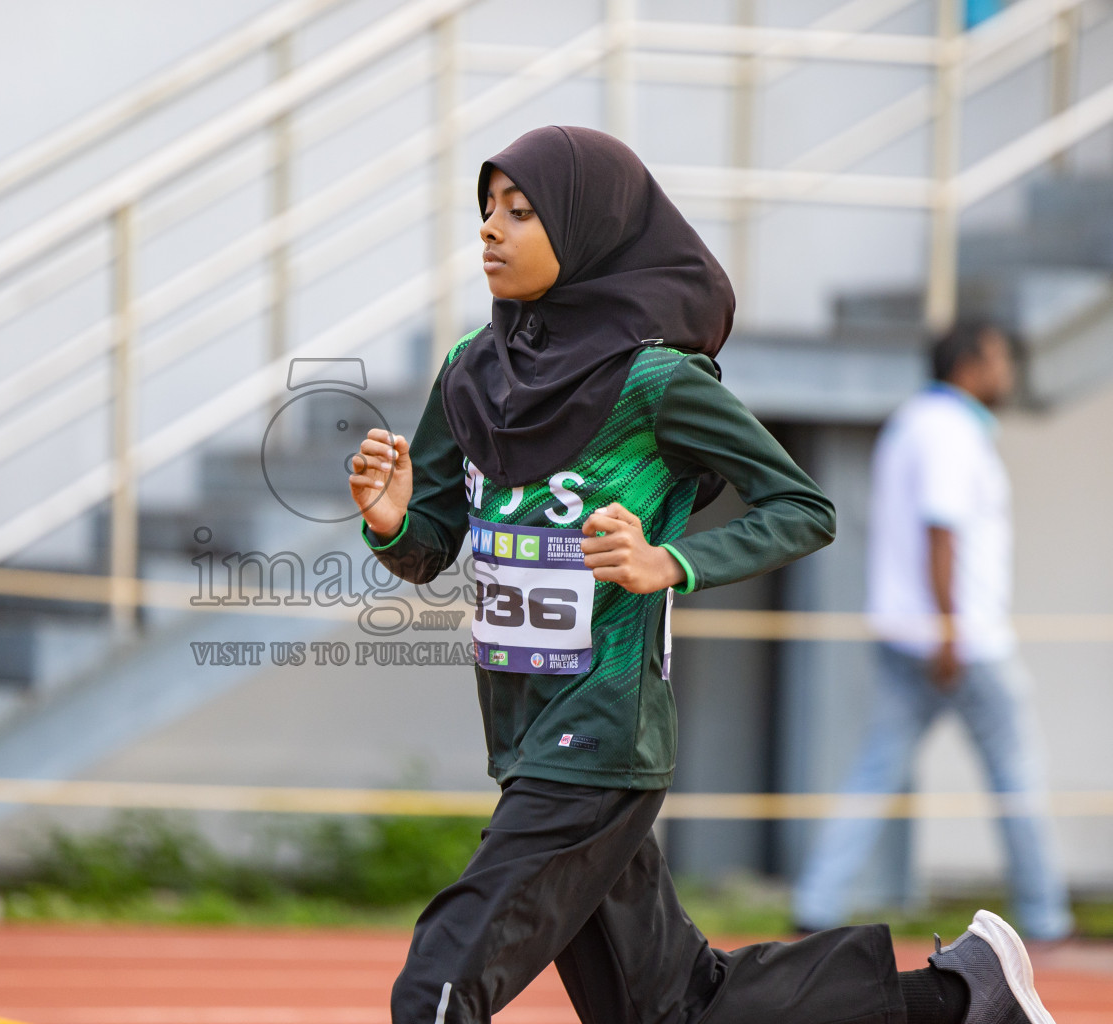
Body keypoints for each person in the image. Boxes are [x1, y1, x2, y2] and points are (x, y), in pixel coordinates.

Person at [350, 127, 1057, 1024]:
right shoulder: (469, 374)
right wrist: (391, 521)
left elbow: (804, 507)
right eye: (486, 210)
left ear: (589, 230)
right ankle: (961, 997)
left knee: (437, 986)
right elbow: (430, 548)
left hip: (601, 735)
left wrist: (668, 561)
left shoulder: (655, 383)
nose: (490, 230)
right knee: (676, 1008)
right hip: (521, 737)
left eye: (521, 213)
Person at [793, 322, 1073, 944]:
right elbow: (940, 532)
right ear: (969, 366)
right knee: (1017, 776)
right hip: (962, 641)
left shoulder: (914, 422)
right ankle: (1047, 919)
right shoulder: (951, 432)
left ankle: (816, 900)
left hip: (907, 635)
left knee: (875, 771)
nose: (1008, 373)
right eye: (1000, 359)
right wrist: (951, 632)